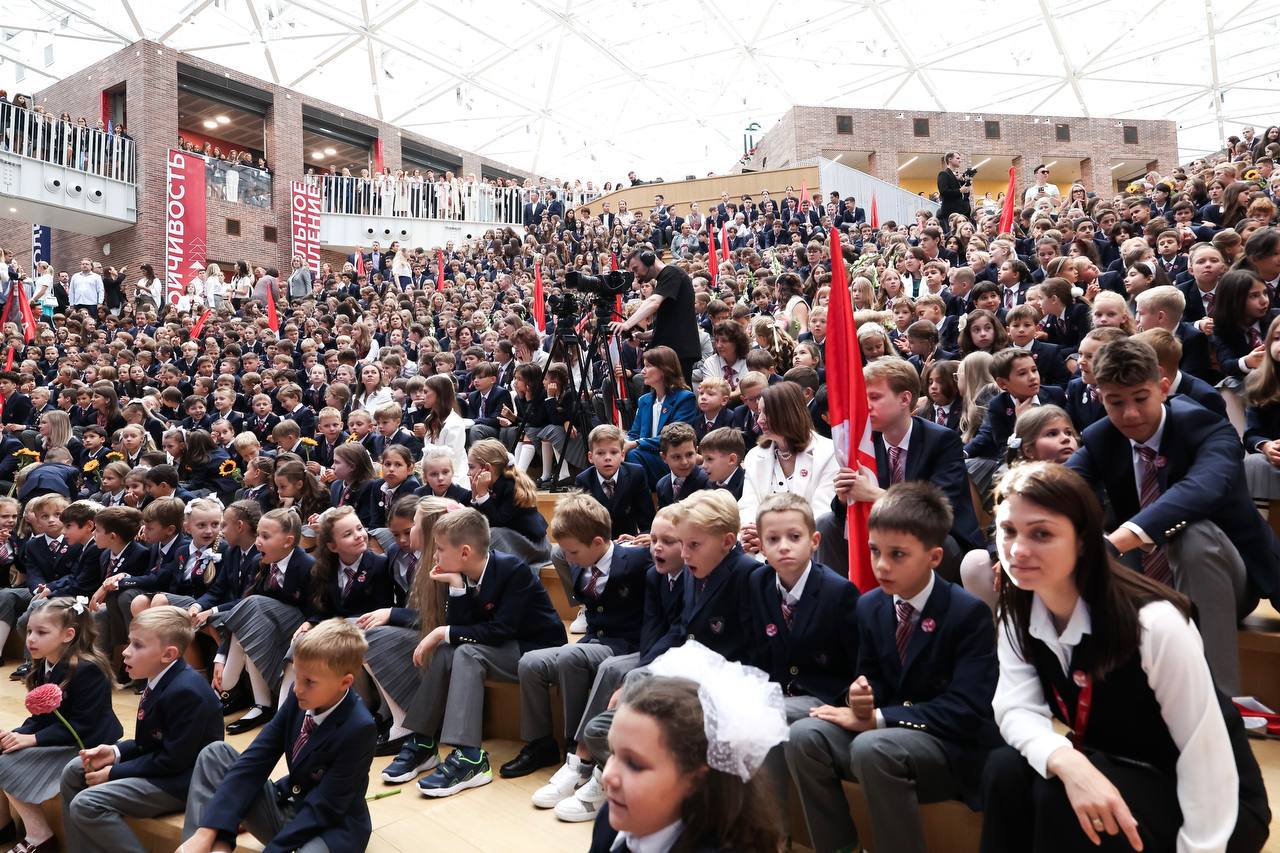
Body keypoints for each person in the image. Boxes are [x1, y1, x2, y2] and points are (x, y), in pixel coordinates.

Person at [980, 462, 1271, 853]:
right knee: (1007, 770)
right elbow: (1014, 707)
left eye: (1042, 534)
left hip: (1214, 801)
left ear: (1083, 541)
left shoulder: (1153, 623)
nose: (1017, 550)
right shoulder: (1019, 605)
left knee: (1062, 801)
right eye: (1008, 530)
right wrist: (1069, 763)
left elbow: (1204, 758)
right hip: (1112, 766)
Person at [788, 482, 1001, 853]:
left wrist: (879, 718)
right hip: (888, 734)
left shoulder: (968, 613)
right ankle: (839, 846)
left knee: (874, 747)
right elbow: (875, 680)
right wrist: (861, 698)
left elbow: (967, 711)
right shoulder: (870, 605)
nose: (881, 565)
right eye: (874, 551)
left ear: (934, 557)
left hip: (949, 748)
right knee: (804, 736)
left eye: (897, 554)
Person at [1066, 337, 1280, 695]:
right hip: (1144, 576)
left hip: (1226, 581)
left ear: (1163, 387)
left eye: (1140, 398)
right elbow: (1058, 490)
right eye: (1116, 402)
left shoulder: (1208, 428)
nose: (1129, 414)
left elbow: (1200, 491)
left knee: (1190, 532)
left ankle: (1217, 701)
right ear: (1101, 397)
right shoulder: (1101, 437)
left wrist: (1120, 538)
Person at [382, 508, 564, 798]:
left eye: (440, 549)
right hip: (501, 649)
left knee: (464, 651)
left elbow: (500, 630)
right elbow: (465, 629)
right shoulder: (463, 573)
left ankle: (470, 757)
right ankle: (424, 742)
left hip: (537, 648)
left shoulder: (512, 569)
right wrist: (456, 588)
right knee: (447, 651)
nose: (436, 556)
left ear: (464, 551)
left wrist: (443, 631)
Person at [181, 619, 378, 853]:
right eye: (297, 676)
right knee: (215, 754)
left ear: (344, 682)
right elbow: (255, 761)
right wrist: (211, 830)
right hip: (287, 806)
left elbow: (324, 807)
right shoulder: (299, 698)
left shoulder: (360, 728)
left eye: (309, 682)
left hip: (328, 826)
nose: (296, 689)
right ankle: (203, 844)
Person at [502, 492, 649, 786]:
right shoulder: (573, 556)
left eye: (573, 553)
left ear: (597, 543)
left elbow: (673, 556)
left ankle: (575, 747)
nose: (568, 559)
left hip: (625, 646)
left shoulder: (636, 561)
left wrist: (652, 537)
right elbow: (563, 555)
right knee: (531, 662)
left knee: (571, 656)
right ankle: (541, 743)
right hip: (594, 641)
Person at [60, 606, 224, 853]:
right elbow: (150, 742)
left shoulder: (186, 692)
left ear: (168, 654)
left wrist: (113, 773)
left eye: (137, 645)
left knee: (87, 803)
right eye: (128, 642)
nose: (125, 652)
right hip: (163, 769)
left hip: (181, 783)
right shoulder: (159, 678)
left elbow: (172, 761)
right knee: (74, 770)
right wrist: (114, 752)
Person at [588, 659, 786, 853]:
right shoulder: (610, 820)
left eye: (634, 764)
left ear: (695, 780)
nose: (608, 775)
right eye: (612, 752)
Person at [0, 597, 122, 852]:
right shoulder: (43, 664)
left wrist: (32, 740)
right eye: (30, 631)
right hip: (60, 737)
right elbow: (41, 719)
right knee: (3, 748)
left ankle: (39, 836)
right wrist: (16, 734)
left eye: (41, 632)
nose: (31, 638)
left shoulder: (88, 669)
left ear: (68, 634)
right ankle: (3, 826)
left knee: (5, 763)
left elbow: (85, 726)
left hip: (88, 745)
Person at [611, 247, 701, 384]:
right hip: (669, 353)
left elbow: (653, 303)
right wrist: (641, 336)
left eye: (636, 268)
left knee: (678, 400)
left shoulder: (672, 273)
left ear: (649, 259)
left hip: (677, 355)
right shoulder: (666, 279)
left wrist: (627, 324)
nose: (635, 275)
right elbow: (670, 325)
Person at [936, 152, 972, 229]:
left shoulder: (958, 176)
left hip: (962, 211)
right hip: (950, 213)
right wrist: (960, 190)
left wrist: (963, 182)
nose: (960, 160)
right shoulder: (943, 174)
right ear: (950, 159)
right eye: (958, 158)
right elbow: (943, 192)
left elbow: (965, 193)